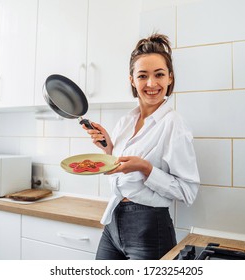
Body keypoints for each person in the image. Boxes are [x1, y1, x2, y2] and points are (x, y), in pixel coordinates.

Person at [83, 33, 200, 260]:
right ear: (132, 80)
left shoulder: (174, 124)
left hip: (149, 229)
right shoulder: (126, 122)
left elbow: (189, 192)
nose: (151, 84)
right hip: (113, 222)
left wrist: (145, 168)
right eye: (142, 75)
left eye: (159, 75)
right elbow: (117, 171)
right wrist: (109, 150)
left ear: (170, 78)